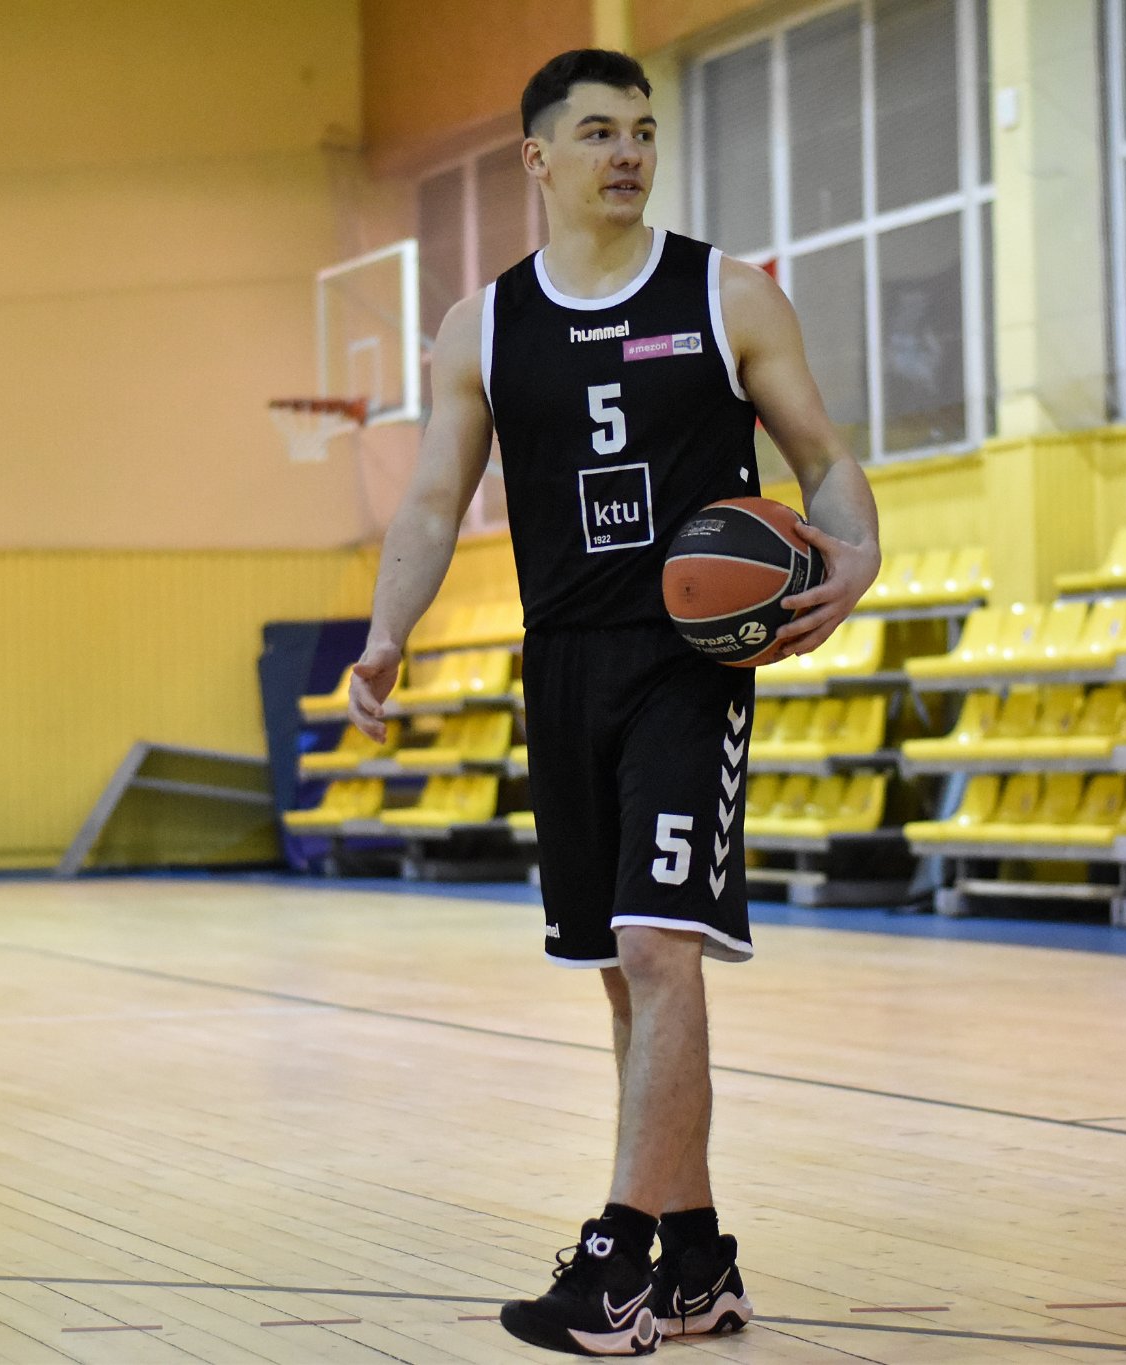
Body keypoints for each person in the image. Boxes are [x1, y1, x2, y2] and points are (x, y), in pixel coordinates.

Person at [346, 49, 880, 1358]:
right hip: (564, 662)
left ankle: (616, 1261)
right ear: (539, 158)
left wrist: (856, 558)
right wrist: (385, 634)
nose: (628, 151)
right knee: (623, 979)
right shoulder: (482, 326)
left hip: (689, 664)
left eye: (642, 129)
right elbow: (432, 498)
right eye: (597, 132)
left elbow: (822, 457)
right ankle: (697, 1261)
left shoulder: (725, 293)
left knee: (657, 947)